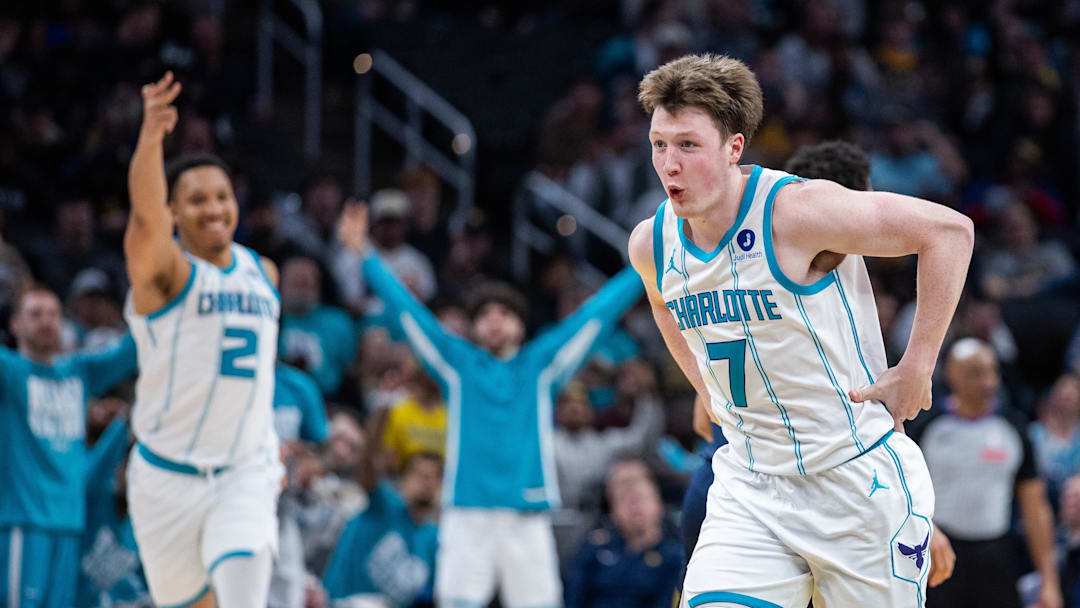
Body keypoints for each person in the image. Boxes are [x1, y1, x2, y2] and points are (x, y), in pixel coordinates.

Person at [626, 54, 974, 606]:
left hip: (854, 481)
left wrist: (918, 364)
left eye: (688, 145)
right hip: (750, 485)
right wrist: (704, 386)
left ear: (733, 148)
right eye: (659, 144)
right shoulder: (652, 242)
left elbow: (950, 233)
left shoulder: (795, 212)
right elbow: (663, 303)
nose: (670, 164)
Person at [338, 203, 643, 608]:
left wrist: (642, 269)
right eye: (484, 314)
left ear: (521, 325)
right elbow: (407, 311)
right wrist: (365, 255)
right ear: (475, 327)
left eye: (505, 313)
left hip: (526, 513)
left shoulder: (540, 365)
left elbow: (595, 316)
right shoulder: (457, 365)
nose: (494, 320)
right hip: (467, 513)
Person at [122, 72, 283, 608]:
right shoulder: (165, 277)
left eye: (222, 196)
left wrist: (267, 446)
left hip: (243, 473)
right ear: (173, 212)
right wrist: (151, 138)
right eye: (196, 200)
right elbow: (144, 220)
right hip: (165, 478)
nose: (214, 209)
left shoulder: (265, 273)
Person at [0, 285, 137, 607]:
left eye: (53, 314)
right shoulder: (9, 370)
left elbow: (133, 348)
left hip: (70, 523)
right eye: (35, 314)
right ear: (15, 325)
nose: (46, 322)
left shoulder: (79, 372)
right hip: (23, 522)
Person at [910, 339, 1062, 608]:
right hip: (939, 552)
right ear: (951, 375)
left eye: (992, 371)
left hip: (997, 556)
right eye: (976, 373)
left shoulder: (1014, 428)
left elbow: (1035, 508)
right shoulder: (926, 426)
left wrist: (1049, 580)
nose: (989, 382)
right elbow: (906, 494)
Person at [321, 415, 441, 607]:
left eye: (434, 477)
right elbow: (367, 471)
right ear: (403, 480)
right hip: (344, 602)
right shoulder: (384, 505)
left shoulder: (435, 540)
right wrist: (375, 431)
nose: (427, 482)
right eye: (420, 474)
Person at [565, 458, 684, 608]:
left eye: (641, 499)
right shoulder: (594, 549)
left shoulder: (674, 555)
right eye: (625, 501)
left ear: (658, 505)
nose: (635, 509)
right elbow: (574, 597)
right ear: (613, 511)